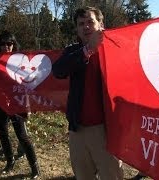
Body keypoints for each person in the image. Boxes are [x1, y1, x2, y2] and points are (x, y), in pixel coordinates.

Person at [52, 6, 123, 180]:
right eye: (81, 23)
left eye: (90, 22)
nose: (86, 27)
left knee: (111, 175)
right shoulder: (72, 52)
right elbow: (58, 70)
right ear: (76, 29)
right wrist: (88, 50)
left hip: (106, 130)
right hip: (78, 131)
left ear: (101, 24)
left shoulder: (115, 50)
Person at [0, 31, 40, 178]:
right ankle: (10, 162)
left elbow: (29, 82)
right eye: (2, 44)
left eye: (9, 43)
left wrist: (28, 104)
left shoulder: (21, 60)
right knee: (3, 135)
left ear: (13, 44)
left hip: (17, 103)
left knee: (22, 136)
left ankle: (34, 166)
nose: (6, 47)